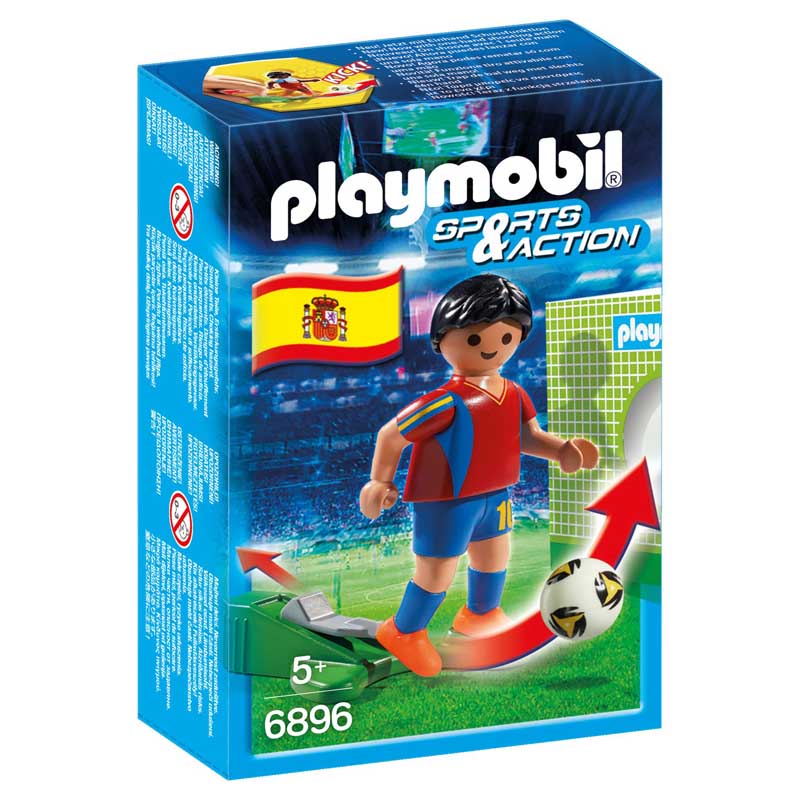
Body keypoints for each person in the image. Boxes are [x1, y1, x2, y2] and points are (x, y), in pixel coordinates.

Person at [359, 274, 598, 677]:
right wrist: (379, 481)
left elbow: (528, 437)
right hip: (446, 501)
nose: (492, 346)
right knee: (437, 571)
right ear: (442, 341)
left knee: (495, 557)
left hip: (496, 493)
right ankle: (403, 631)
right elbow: (391, 434)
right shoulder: (444, 401)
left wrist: (561, 450)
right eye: (474, 338)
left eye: (506, 337)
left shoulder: (514, 393)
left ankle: (481, 614)